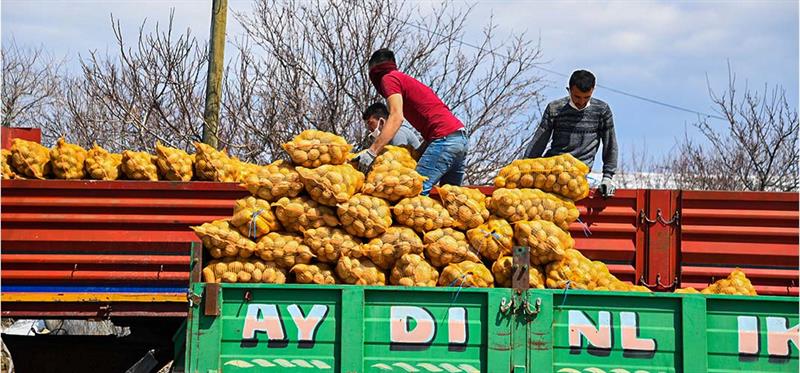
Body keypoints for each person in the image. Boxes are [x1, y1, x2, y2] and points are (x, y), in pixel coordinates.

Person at [354, 48, 468, 195]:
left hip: (444, 140)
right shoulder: (406, 80)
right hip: (460, 139)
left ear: (374, 71)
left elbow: (396, 116)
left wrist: (372, 152)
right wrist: (417, 153)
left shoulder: (389, 78)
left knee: (413, 193)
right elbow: (434, 128)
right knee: (452, 199)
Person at [524, 70, 618, 198]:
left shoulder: (602, 111)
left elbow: (610, 145)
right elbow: (539, 142)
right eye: (577, 97)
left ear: (593, 90)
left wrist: (607, 177)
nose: (581, 102)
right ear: (569, 90)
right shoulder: (554, 108)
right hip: (552, 172)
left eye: (586, 97)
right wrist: (524, 169)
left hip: (580, 174)